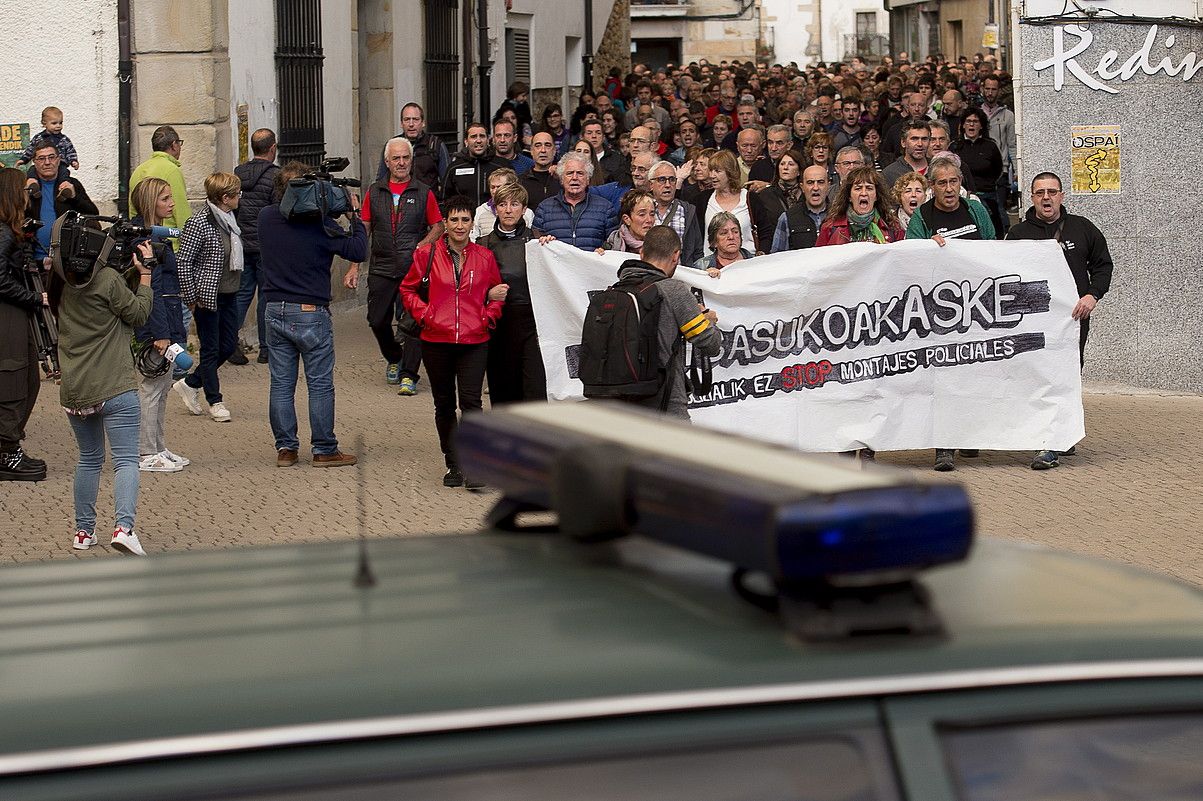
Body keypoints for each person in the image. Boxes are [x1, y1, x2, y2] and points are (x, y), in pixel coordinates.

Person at [258, 161, 368, 468]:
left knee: (281, 383)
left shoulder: (266, 218)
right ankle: (323, 448)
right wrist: (353, 214)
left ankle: (286, 449)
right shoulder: (320, 226)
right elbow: (358, 250)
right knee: (319, 383)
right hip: (310, 312)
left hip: (274, 309)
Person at [56, 214, 155, 555]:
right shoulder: (109, 279)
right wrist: (144, 273)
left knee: (88, 458)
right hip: (115, 385)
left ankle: (83, 533)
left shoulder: (61, 281)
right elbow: (139, 313)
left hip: (75, 388)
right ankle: (124, 528)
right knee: (126, 460)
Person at [1006, 172, 1113, 470]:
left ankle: (1059, 436)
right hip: (1032, 324)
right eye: (1040, 192)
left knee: (1067, 376)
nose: (1046, 198)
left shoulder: (1082, 228)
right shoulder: (1017, 235)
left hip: (1072, 320)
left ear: (1062, 196)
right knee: (1039, 377)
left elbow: (1104, 265)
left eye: (1052, 192)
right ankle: (1048, 441)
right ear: (1032, 197)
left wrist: (1092, 296)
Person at [401, 195, 505, 489]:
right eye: (454, 219)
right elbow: (408, 289)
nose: (460, 225)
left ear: (473, 223)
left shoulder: (484, 257)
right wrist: (426, 315)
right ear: (444, 223)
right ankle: (453, 463)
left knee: (471, 403)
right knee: (444, 404)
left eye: (465, 219)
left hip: (475, 339)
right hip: (436, 339)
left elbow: (498, 291)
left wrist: (487, 316)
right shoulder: (426, 254)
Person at [905, 157, 994, 473]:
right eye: (941, 183)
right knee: (942, 380)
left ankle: (968, 434)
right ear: (932, 187)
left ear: (961, 183)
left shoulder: (976, 211)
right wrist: (926, 247)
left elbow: (993, 250)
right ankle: (944, 447)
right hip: (939, 313)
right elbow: (908, 259)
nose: (948, 188)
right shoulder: (923, 217)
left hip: (975, 309)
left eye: (953, 182)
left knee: (971, 375)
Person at [347, 136, 444, 395]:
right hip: (381, 267)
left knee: (413, 323)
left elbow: (438, 226)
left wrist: (422, 245)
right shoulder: (374, 191)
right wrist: (355, 266)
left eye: (406, 158)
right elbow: (364, 230)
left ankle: (409, 375)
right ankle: (394, 357)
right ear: (387, 162)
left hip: (414, 270)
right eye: (396, 159)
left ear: (412, 161)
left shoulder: (424, 192)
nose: (401, 163)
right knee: (377, 320)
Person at [608, 225, 721, 419]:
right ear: (676, 256)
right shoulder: (673, 291)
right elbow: (711, 344)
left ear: (642, 253)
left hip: (619, 402)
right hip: (665, 401)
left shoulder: (613, 290)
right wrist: (707, 319)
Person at [174, 172, 245, 423]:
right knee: (211, 349)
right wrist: (191, 297)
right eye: (237, 194)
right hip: (207, 296)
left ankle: (191, 383)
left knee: (228, 345)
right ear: (225, 198)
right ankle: (215, 401)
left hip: (229, 293)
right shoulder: (200, 222)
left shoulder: (229, 218)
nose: (240, 197)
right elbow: (183, 261)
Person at [129, 177, 189, 474]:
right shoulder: (143, 240)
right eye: (165, 198)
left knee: (163, 386)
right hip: (154, 325)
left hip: (168, 318)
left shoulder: (159, 236)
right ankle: (144, 452)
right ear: (151, 201)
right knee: (150, 389)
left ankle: (158, 446)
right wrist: (161, 333)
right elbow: (150, 289)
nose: (172, 203)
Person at [0, 168, 48, 482]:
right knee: (16, 380)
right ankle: (7, 453)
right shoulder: (3, 233)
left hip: (13, 311)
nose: (27, 195)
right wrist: (34, 297)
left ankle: (9, 449)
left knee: (27, 378)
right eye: (23, 190)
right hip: (9, 313)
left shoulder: (9, 231)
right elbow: (0, 280)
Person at [480, 182, 546, 404]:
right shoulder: (482, 245)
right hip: (498, 326)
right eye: (502, 204)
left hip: (532, 326)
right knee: (503, 390)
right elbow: (469, 288)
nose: (508, 210)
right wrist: (487, 295)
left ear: (524, 209)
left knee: (535, 390)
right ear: (495, 208)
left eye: (514, 204)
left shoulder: (540, 240)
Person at [232, 128, 280, 365]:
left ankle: (230, 342)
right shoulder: (275, 176)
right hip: (266, 245)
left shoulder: (238, 173)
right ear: (273, 148)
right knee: (266, 297)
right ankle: (266, 349)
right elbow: (277, 211)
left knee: (241, 295)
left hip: (242, 243)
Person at [531, 151, 616, 251]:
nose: (575, 178)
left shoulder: (605, 208)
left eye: (580, 173)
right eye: (569, 173)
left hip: (592, 265)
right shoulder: (544, 208)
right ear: (562, 179)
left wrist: (604, 250)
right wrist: (543, 242)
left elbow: (614, 243)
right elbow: (534, 247)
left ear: (588, 179)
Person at [816, 167, 905, 246]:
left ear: (877, 196)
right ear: (849, 196)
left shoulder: (893, 226)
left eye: (869, 188)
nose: (863, 193)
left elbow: (900, 260)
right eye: (858, 188)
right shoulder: (830, 227)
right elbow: (820, 260)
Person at [375, 102, 451, 195]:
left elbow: (448, 182)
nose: (411, 124)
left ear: (423, 123)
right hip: (398, 203)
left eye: (415, 119)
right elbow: (381, 180)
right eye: (407, 119)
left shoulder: (436, 145)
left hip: (427, 203)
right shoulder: (392, 145)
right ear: (401, 123)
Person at [952, 109, 1005, 235]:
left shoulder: (990, 146)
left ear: (981, 125)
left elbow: (998, 169)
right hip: (962, 198)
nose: (971, 125)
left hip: (988, 196)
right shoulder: (955, 146)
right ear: (963, 125)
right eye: (968, 121)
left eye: (975, 121)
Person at [128, 126, 191, 232]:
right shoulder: (172, 170)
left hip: (143, 235)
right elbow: (181, 211)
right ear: (174, 145)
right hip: (169, 237)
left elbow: (133, 210)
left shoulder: (138, 170)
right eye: (179, 143)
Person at [648, 159, 704, 266]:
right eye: (662, 179)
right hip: (646, 274)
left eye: (672, 179)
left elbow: (697, 251)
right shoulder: (641, 209)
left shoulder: (687, 211)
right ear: (651, 184)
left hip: (679, 275)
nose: (668, 185)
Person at [749, 148, 804, 254]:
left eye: (791, 164)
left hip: (801, 249)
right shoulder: (765, 195)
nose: (785, 167)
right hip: (774, 250)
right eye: (782, 164)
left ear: (799, 171)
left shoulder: (806, 195)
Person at [441, 122, 506, 209]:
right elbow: (443, 200)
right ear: (466, 141)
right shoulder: (454, 168)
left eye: (482, 136)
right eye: (473, 136)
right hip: (464, 220)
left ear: (488, 140)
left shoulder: (502, 166)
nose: (478, 140)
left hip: (495, 219)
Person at [702, 149, 754, 256]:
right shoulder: (703, 199)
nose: (712, 175)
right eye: (711, 170)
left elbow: (765, 232)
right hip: (712, 267)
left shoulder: (750, 198)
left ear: (730, 172)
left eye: (717, 171)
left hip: (748, 263)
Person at [771, 164, 829, 253]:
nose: (815, 187)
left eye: (821, 182)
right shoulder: (787, 218)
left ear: (828, 185)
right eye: (810, 183)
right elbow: (777, 257)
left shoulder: (840, 215)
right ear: (802, 187)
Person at [471, 168, 532, 242]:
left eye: (499, 187)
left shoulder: (527, 213)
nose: (494, 191)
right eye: (492, 187)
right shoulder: (480, 211)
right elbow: (473, 240)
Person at [16, 106, 79, 173]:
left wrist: (73, 161)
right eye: (54, 123)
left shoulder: (64, 139)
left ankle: (64, 183)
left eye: (60, 123)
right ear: (44, 123)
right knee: (32, 171)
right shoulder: (38, 138)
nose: (58, 126)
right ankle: (33, 182)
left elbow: (71, 152)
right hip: (42, 165)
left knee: (64, 173)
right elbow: (30, 150)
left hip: (60, 165)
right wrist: (23, 160)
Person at [882, 120, 931, 187]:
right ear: (903, 142)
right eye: (914, 139)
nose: (920, 144)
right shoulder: (890, 173)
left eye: (924, 139)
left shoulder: (936, 168)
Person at [519, 132, 560, 211]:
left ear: (554, 151)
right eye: (538, 146)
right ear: (531, 151)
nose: (543, 150)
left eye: (547, 145)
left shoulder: (564, 180)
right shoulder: (520, 181)